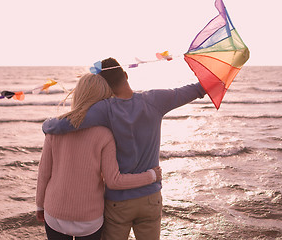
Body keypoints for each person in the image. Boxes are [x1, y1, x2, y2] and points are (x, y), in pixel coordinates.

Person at [42, 57, 206, 240]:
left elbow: (68, 122)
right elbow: (195, 90)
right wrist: (213, 81)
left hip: (118, 202)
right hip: (150, 196)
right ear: (126, 75)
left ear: (104, 86)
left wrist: (47, 126)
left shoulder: (104, 109)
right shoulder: (155, 100)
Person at [36, 73, 162, 240]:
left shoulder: (55, 129)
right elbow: (114, 181)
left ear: (78, 94)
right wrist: (151, 175)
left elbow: (44, 173)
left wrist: (39, 205)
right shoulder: (105, 135)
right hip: (89, 219)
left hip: (55, 213)